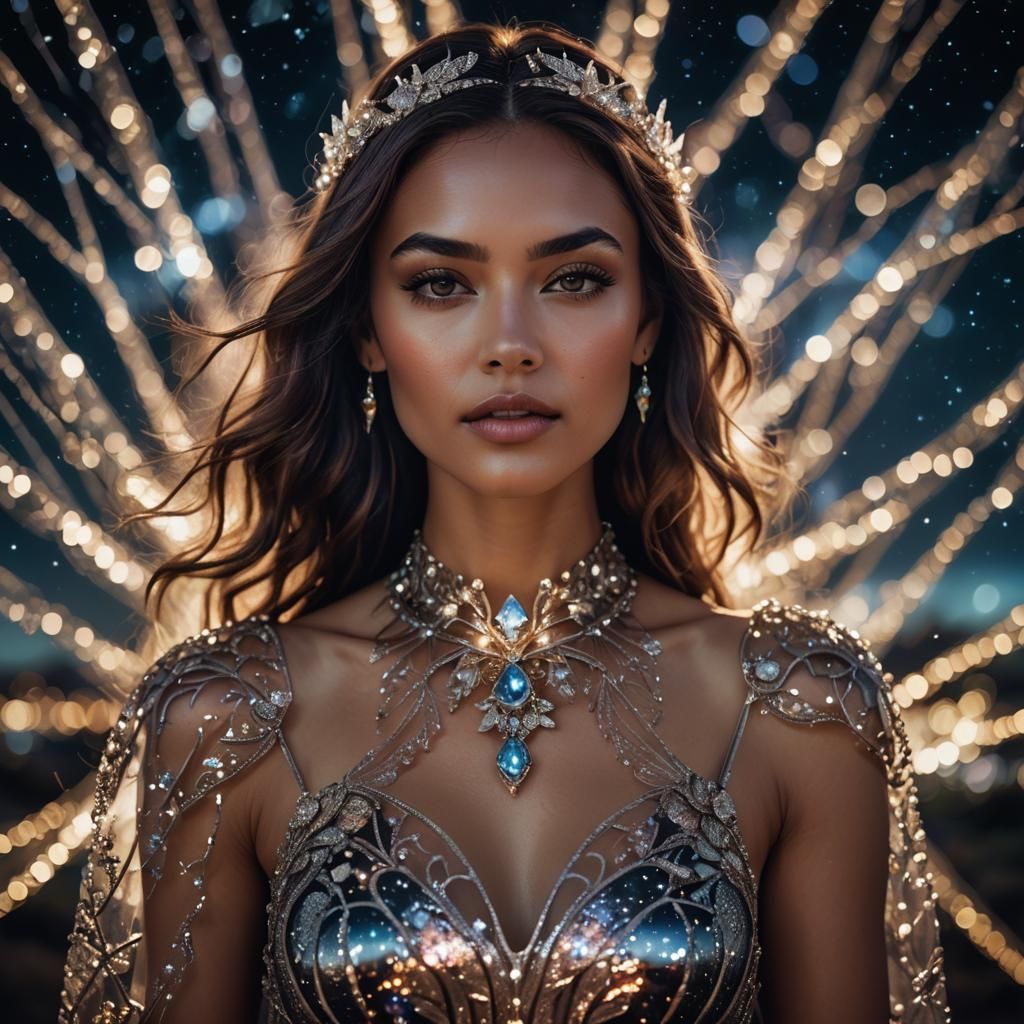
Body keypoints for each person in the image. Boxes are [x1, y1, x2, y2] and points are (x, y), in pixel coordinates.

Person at [58, 20, 949, 1024]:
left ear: (649, 316)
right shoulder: (222, 722)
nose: (511, 345)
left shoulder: (798, 712)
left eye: (575, 279)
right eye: (441, 283)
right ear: (365, 328)